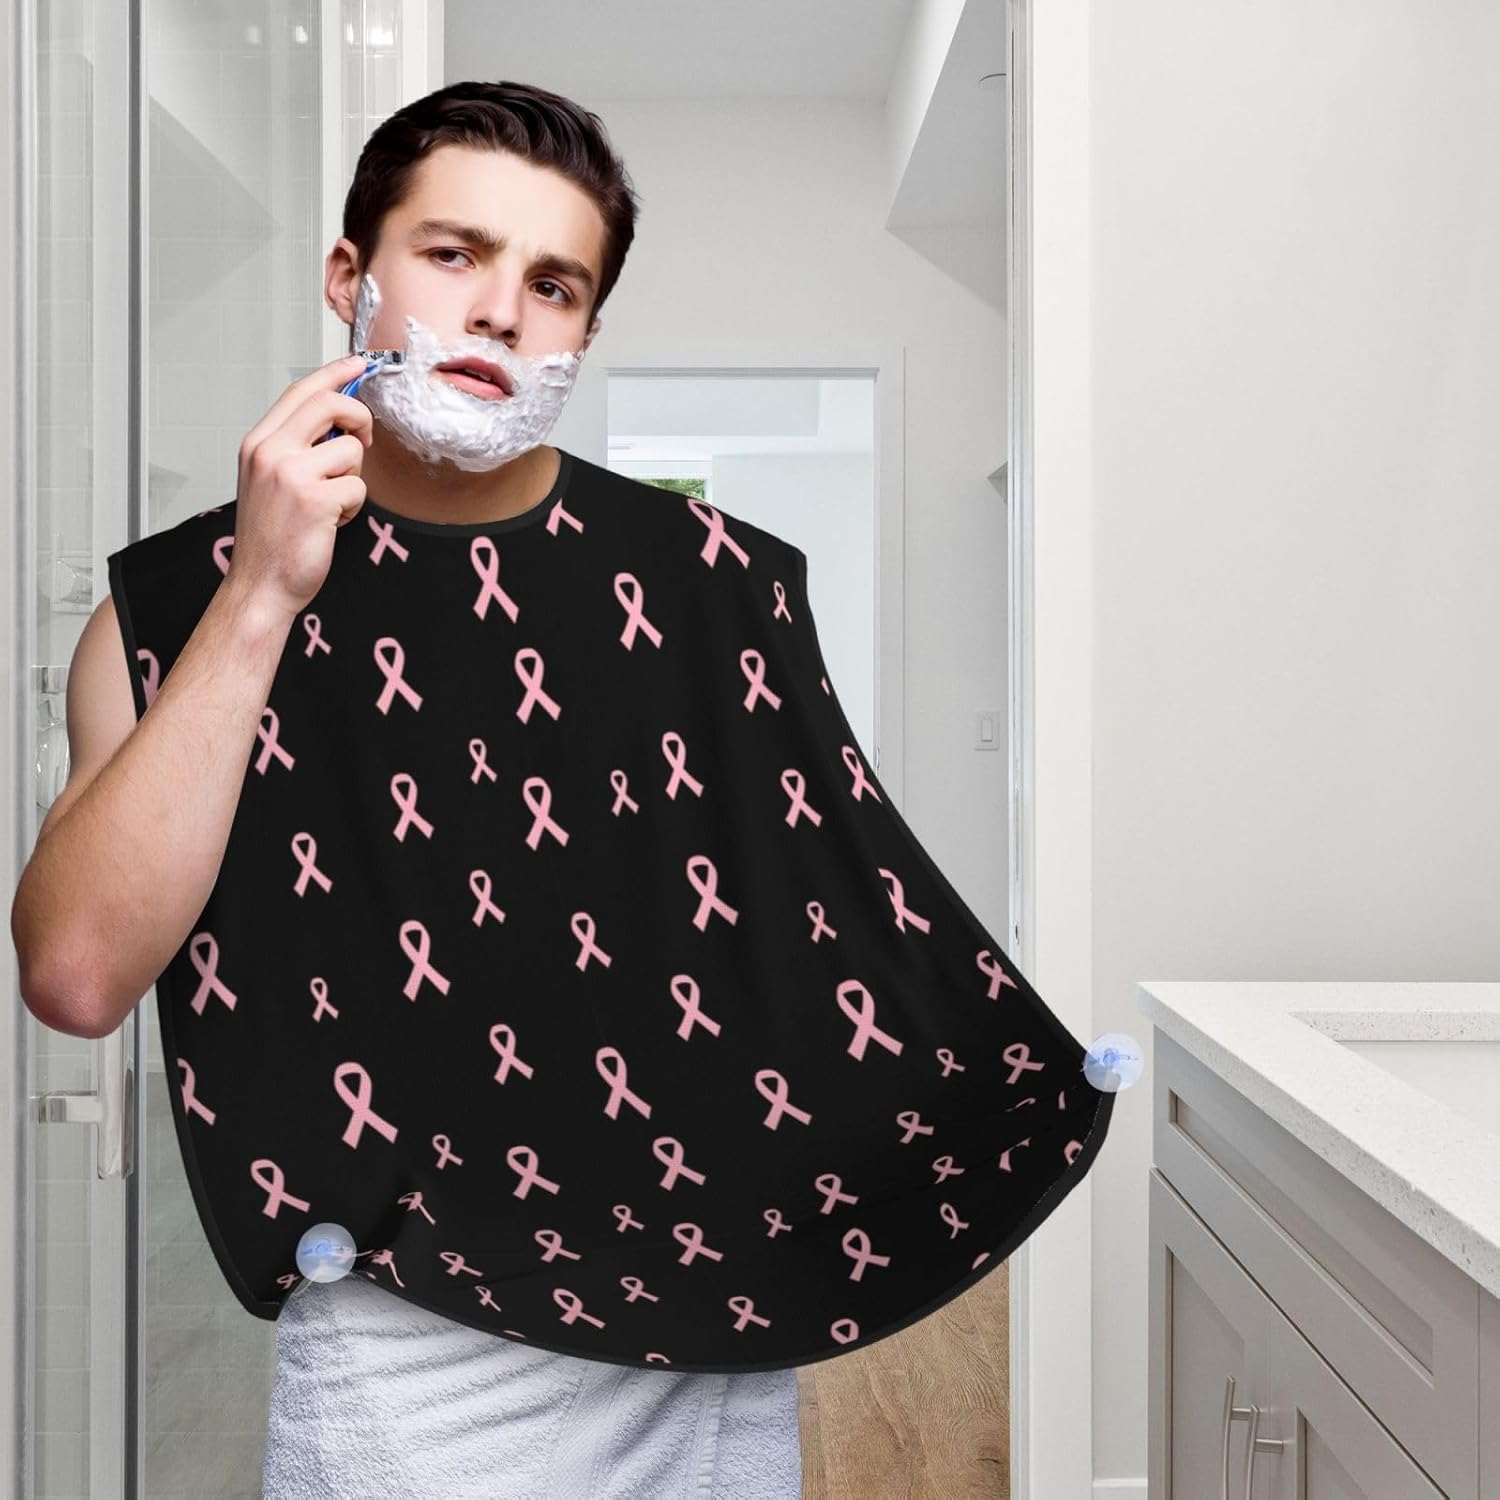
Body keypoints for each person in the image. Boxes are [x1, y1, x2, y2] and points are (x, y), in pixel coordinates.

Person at [14, 79, 805, 1497]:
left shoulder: (715, 589)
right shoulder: (169, 608)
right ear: (350, 279)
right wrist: (262, 595)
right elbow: (75, 976)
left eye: (553, 284)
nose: (501, 312)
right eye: (454, 254)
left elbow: (801, 951)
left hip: (700, 1302)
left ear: (585, 332)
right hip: (401, 1345)